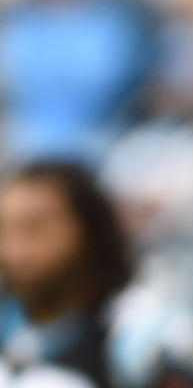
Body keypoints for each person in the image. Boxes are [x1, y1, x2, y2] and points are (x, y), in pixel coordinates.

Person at [0, 160, 134, 387]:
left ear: (90, 229)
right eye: (3, 230)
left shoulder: (134, 333)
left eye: (36, 228)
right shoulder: (7, 322)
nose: (15, 251)